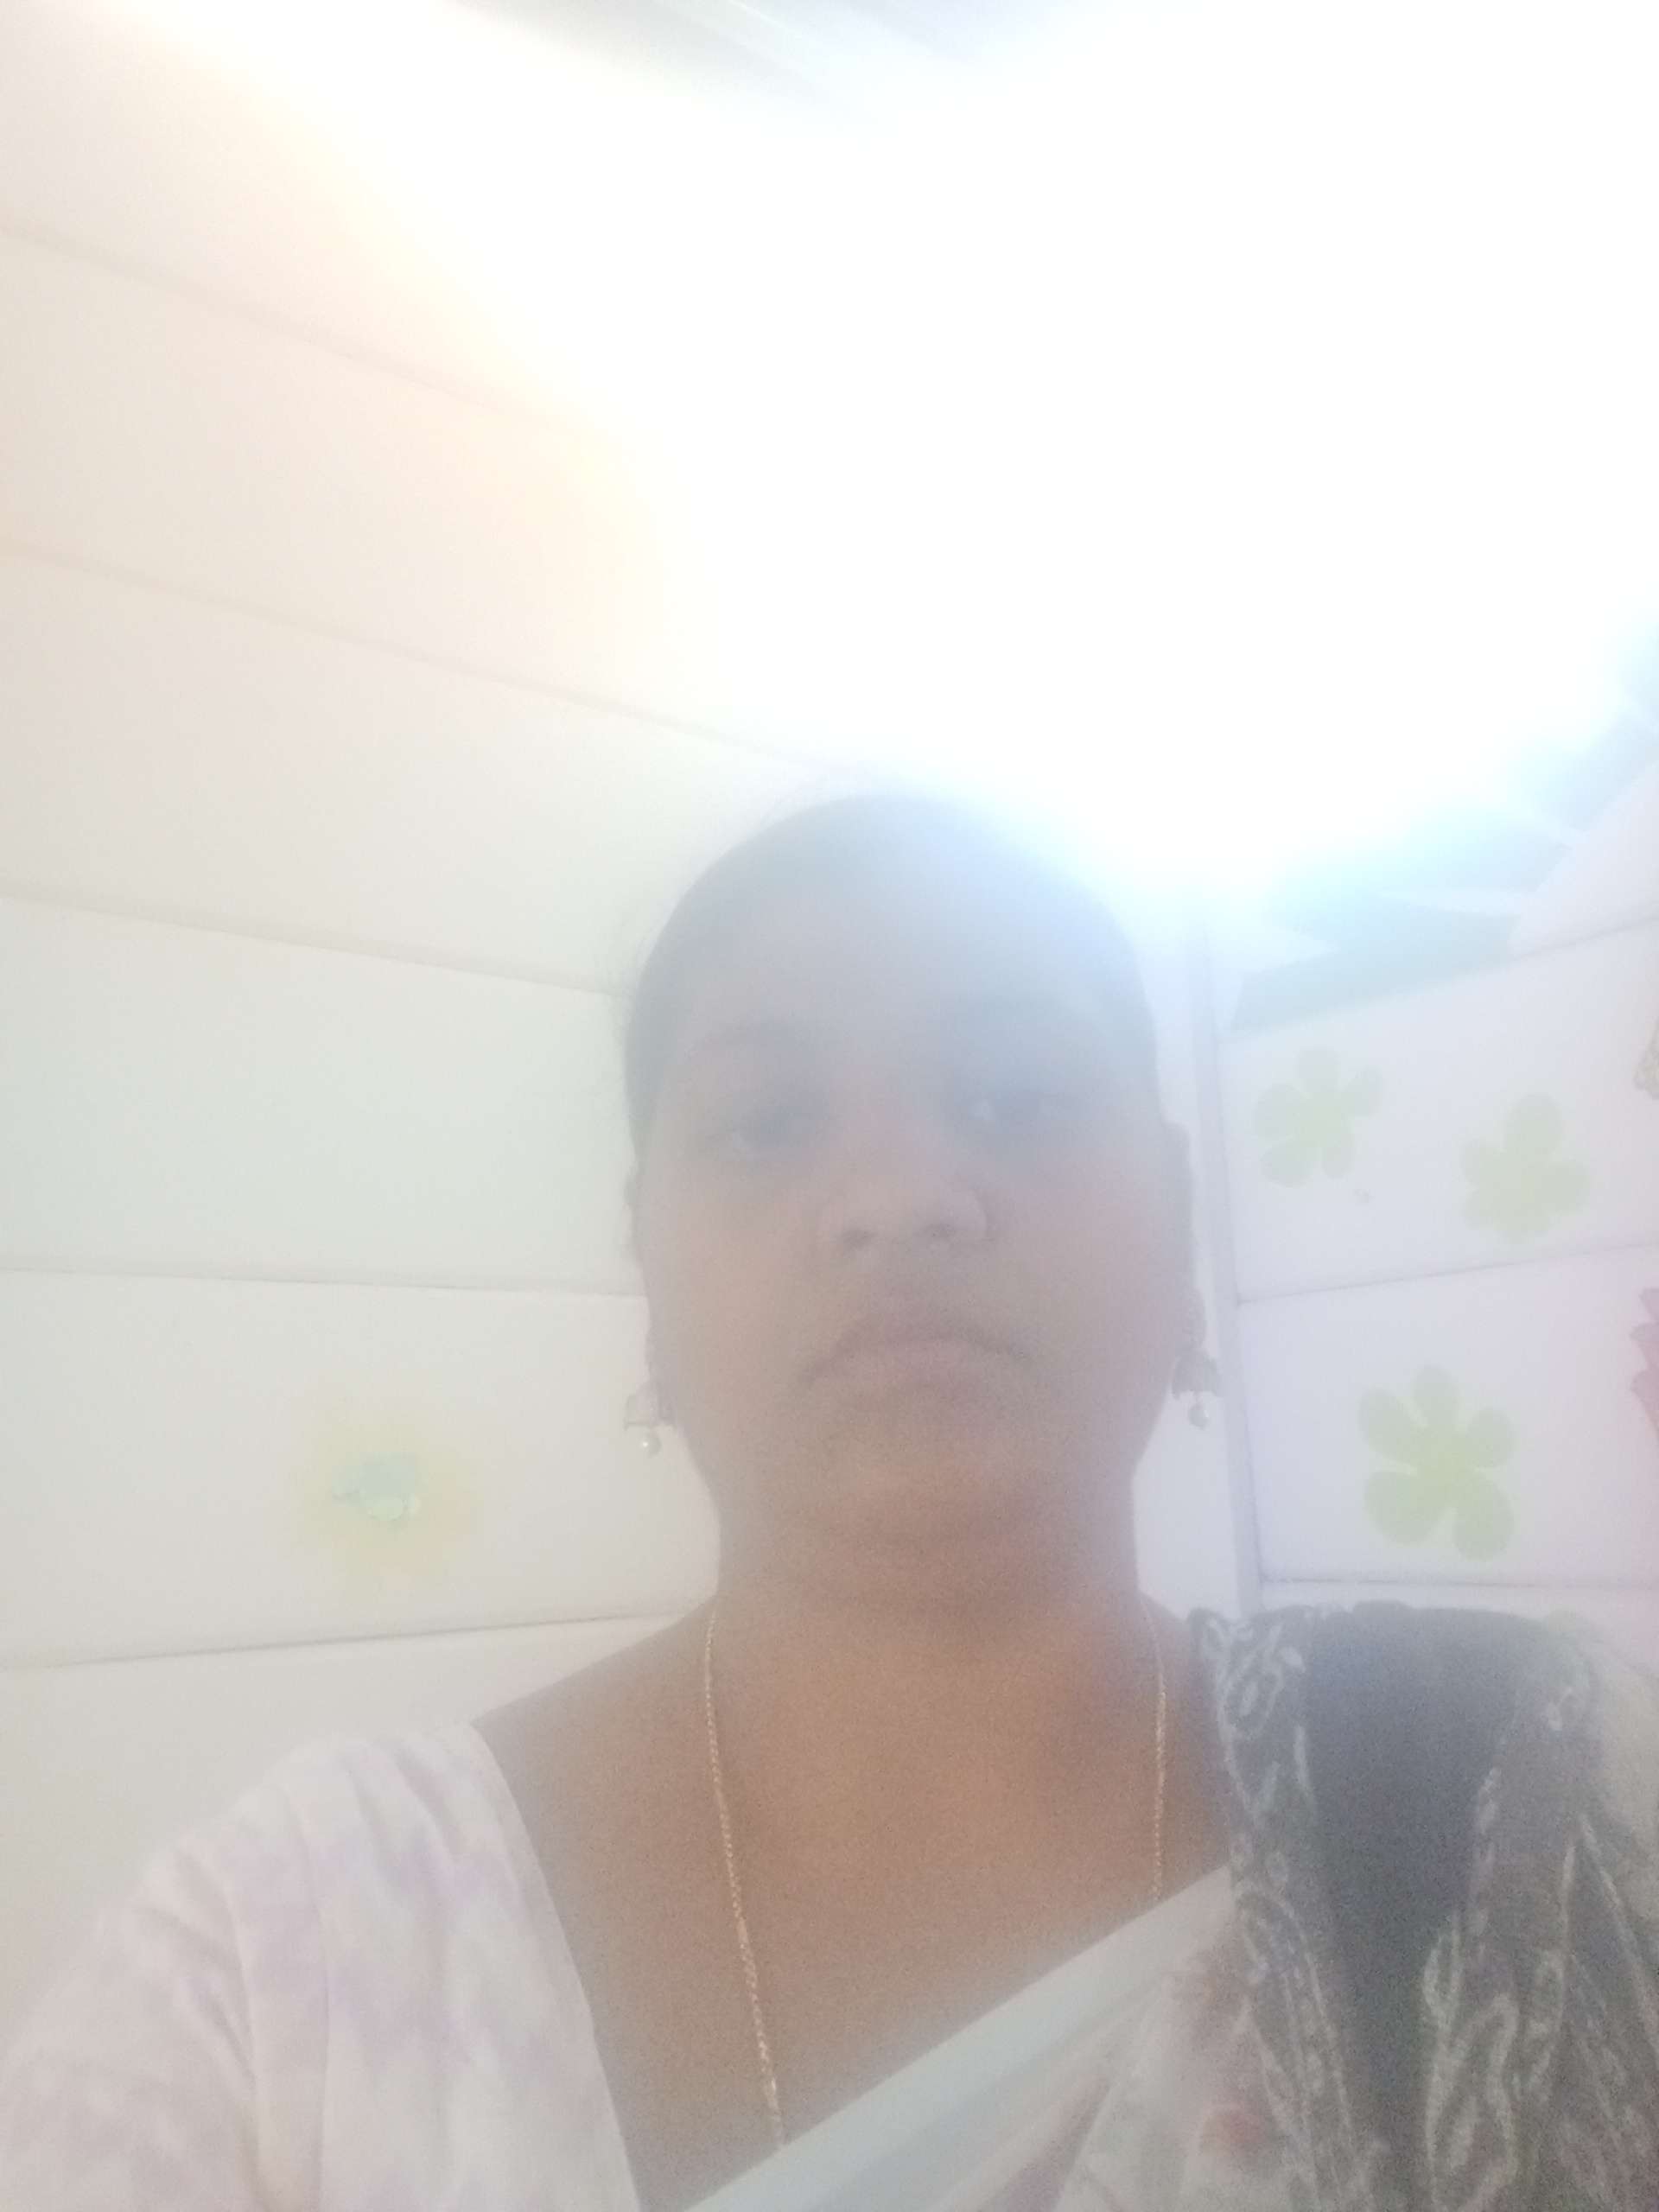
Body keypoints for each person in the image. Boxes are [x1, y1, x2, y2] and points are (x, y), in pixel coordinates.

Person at [3, 793, 1656, 2211]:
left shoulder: (1532, 1803)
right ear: (647, 1270)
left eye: (1018, 1095)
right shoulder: (291, 1954)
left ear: (1177, 1225)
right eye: (769, 1123)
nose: (901, 1198)